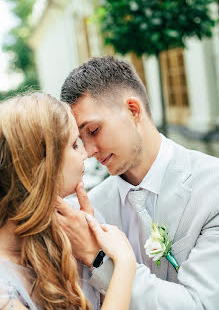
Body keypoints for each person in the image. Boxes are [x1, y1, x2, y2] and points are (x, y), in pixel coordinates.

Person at [60, 55, 219, 309]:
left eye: (93, 131)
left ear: (133, 110)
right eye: (79, 139)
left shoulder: (213, 188)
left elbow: (200, 304)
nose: (88, 151)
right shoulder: (91, 208)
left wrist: (98, 259)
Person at [0, 93, 136, 310]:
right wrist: (124, 264)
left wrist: (94, 253)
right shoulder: (4, 290)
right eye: (74, 144)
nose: (86, 153)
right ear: (40, 163)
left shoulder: (78, 221)